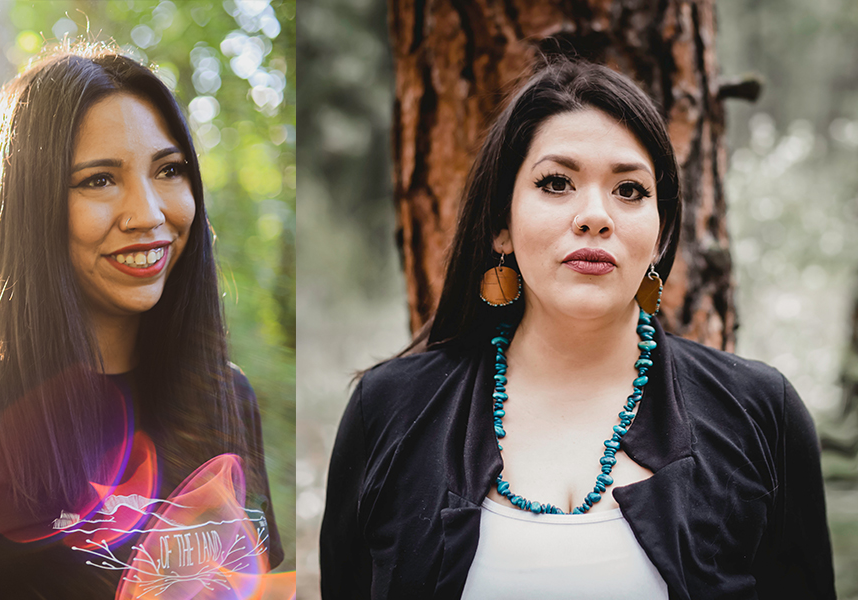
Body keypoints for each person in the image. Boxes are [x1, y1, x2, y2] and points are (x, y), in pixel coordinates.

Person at [320, 59, 836, 599]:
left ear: (660, 234)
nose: (595, 216)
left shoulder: (761, 411)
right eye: (556, 182)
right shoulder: (387, 409)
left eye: (630, 190)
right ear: (502, 224)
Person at [0, 46, 283, 598]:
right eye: (99, 181)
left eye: (169, 170)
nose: (149, 214)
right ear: (28, 205)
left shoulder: (224, 392)